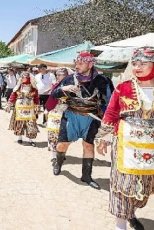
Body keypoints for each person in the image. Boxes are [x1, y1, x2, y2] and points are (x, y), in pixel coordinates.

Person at [95, 47, 154, 230]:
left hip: (153, 146)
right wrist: (102, 137)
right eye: (134, 63)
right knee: (121, 184)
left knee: (145, 186)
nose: (137, 67)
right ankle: (120, 224)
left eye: (143, 63)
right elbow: (111, 112)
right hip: (125, 143)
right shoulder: (122, 87)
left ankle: (131, 212)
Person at [50, 52, 112, 190]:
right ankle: (58, 163)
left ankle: (86, 175)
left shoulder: (102, 80)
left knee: (88, 146)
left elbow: (110, 102)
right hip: (71, 116)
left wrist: (107, 122)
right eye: (76, 63)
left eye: (81, 63)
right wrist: (62, 89)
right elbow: (53, 94)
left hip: (91, 118)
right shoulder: (69, 79)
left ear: (90, 64)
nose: (77, 66)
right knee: (61, 145)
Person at [6, 71, 40, 147]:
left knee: (30, 123)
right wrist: (9, 104)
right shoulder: (18, 87)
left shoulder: (33, 89)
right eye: (22, 77)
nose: (23, 79)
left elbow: (36, 98)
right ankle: (19, 137)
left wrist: (37, 106)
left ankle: (30, 139)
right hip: (19, 108)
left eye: (25, 77)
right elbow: (13, 96)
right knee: (19, 123)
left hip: (30, 109)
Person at [45, 68, 69, 163]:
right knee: (53, 134)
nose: (58, 76)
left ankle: (62, 153)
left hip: (66, 113)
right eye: (57, 75)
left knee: (64, 135)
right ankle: (54, 155)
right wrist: (47, 109)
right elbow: (51, 100)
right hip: (55, 112)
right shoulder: (55, 86)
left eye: (60, 75)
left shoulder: (71, 87)